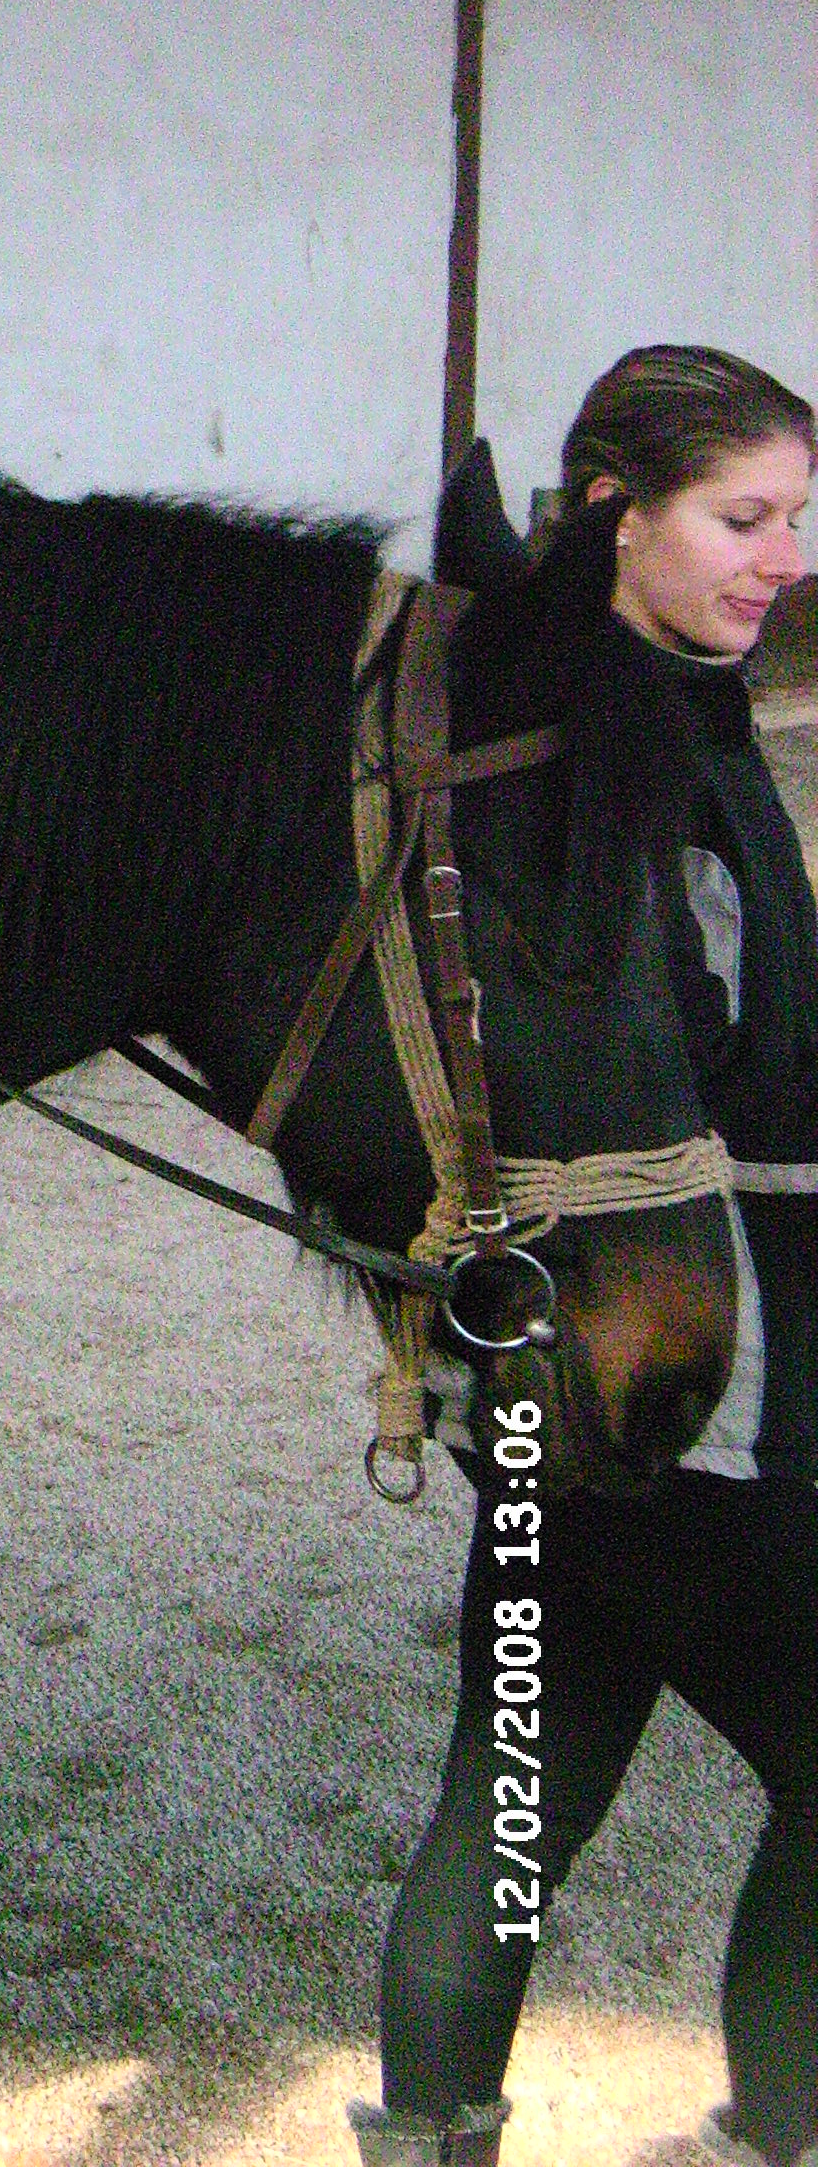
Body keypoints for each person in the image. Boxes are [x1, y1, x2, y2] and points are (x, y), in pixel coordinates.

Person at [358, 344, 818, 2167]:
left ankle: (434, 2141)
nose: (788, 557)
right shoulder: (613, 748)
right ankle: (782, 2134)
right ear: (620, 512)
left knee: (513, 1805)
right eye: (745, 517)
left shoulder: (640, 705)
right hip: (682, 1373)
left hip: (562, 1388)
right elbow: (682, 1071)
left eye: (798, 518)